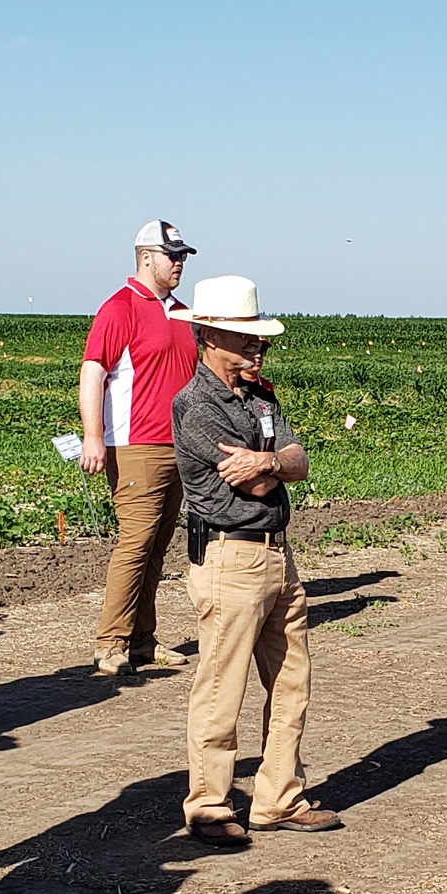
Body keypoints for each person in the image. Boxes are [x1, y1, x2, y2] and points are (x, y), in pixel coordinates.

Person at [170, 275, 341, 844]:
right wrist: (274, 468)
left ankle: (278, 798)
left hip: (277, 557)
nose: (257, 347)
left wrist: (268, 462)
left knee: (292, 681)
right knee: (222, 687)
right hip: (230, 557)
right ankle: (210, 807)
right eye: (246, 338)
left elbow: (297, 462)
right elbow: (257, 487)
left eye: (259, 338)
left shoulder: (262, 397)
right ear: (209, 336)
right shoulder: (195, 406)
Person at [78, 220, 200, 676]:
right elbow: (94, 372)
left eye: (183, 256)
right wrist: (93, 435)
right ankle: (110, 642)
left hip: (179, 447)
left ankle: (143, 640)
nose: (180, 263)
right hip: (134, 446)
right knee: (136, 543)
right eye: (173, 256)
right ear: (146, 257)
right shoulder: (119, 308)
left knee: (157, 545)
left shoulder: (183, 313)